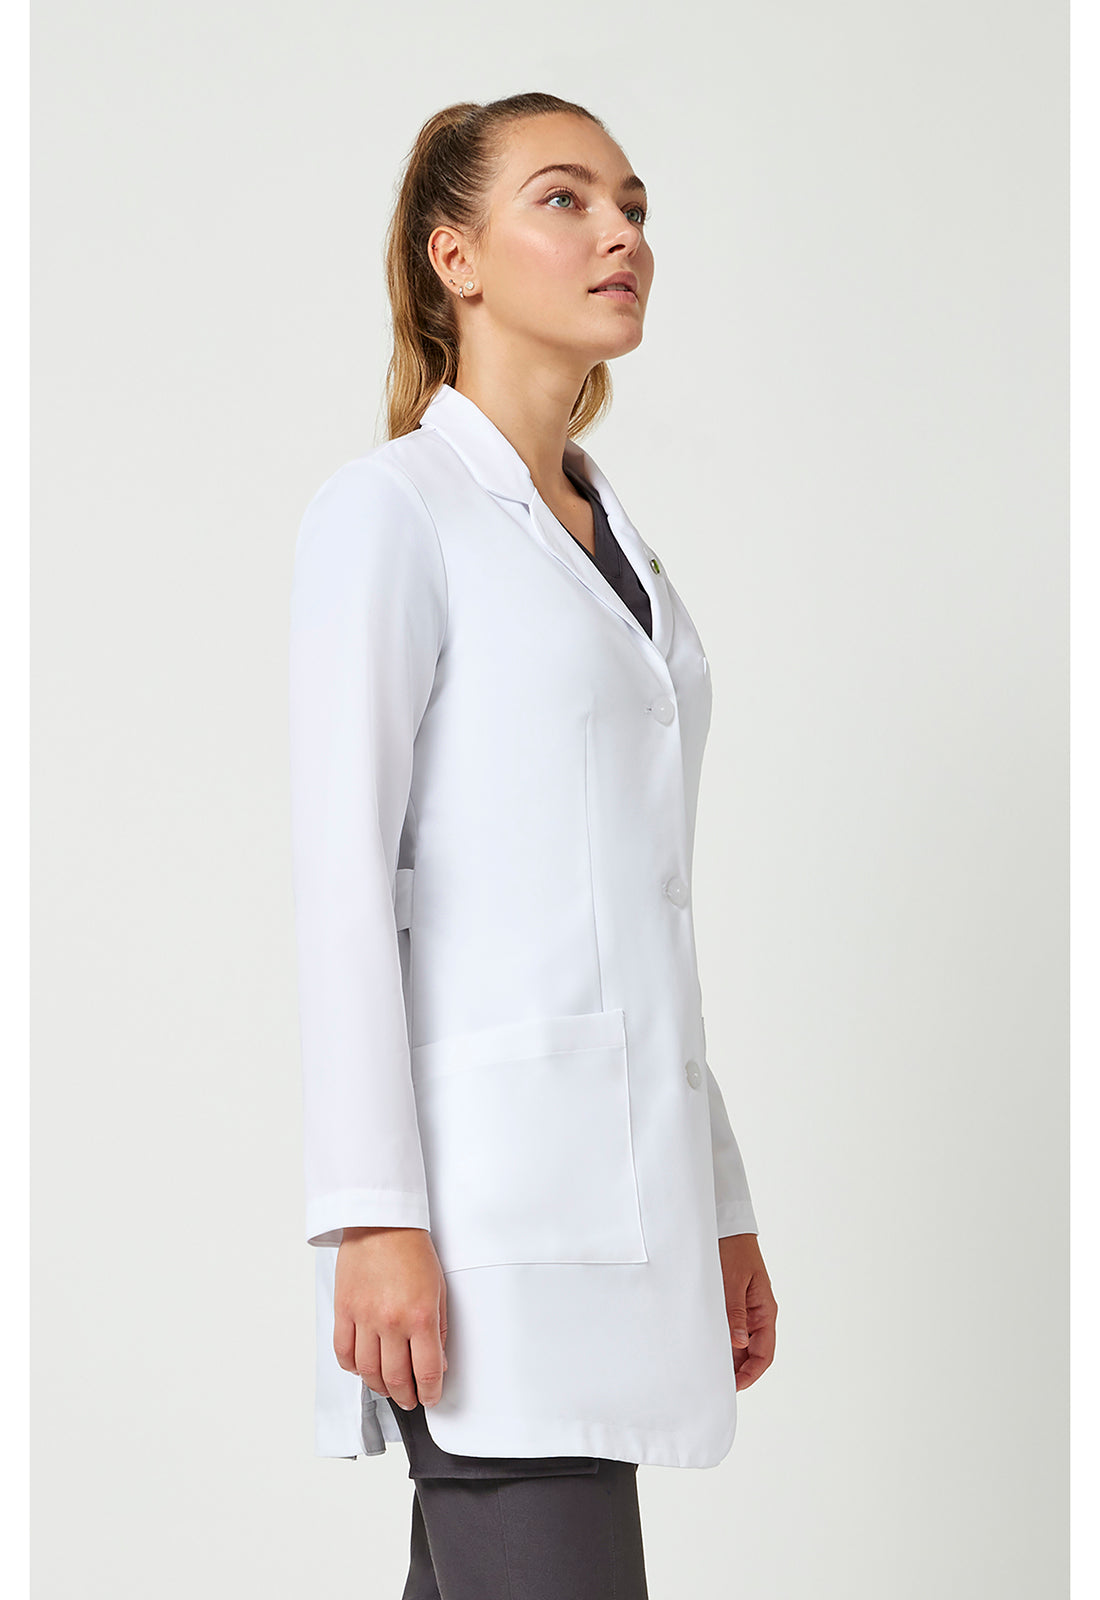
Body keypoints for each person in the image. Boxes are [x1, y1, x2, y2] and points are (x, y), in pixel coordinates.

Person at [288, 91, 778, 1599]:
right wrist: (371, 1213)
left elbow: (643, 912)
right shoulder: (395, 513)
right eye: (566, 200)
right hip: (488, 1225)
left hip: (623, 1205)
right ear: (456, 259)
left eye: (633, 206)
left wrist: (722, 1204)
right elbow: (343, 879)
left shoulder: (618, 544)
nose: (621, 232)